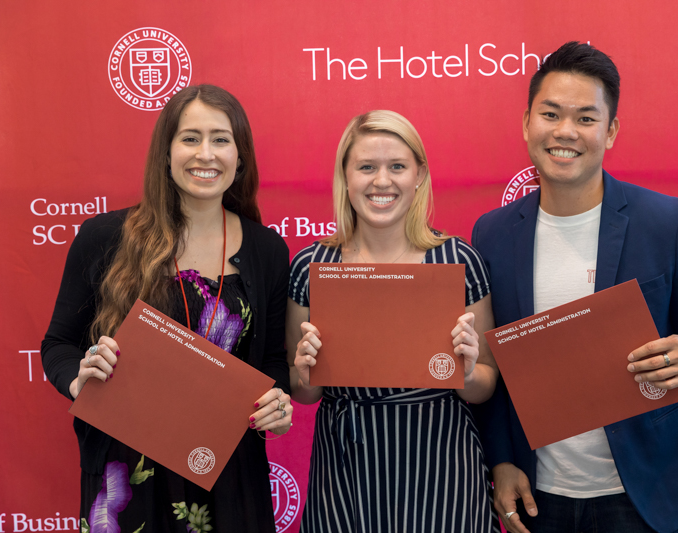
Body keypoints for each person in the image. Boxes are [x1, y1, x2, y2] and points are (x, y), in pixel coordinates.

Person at [469, 42, 678, 533]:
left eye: (586, 118)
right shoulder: (492, 231)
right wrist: (501, 460)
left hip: (645, 494)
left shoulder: (668, 221)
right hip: (539, 496)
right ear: (527, 122)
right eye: (550, 114)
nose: (565, 132)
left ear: (610, 131)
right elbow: (494, 362)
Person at [41, 85, 293, 533]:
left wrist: (276, 401)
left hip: (228, 473)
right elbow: (59, 343)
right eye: (190, 138)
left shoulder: (267, 250)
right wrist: (77, 380)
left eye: (220, 139)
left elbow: (273, 361)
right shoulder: (105, 236)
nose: (206, 153)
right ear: (166, 152)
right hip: (128, 473)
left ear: (240, 156)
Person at [287, 110, 500, 533]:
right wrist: (306, 368)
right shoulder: (312, 265)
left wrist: (470, 370)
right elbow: (303, 392)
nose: (381, 181)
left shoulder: (457, 260)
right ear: (345, 178)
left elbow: (485, 386)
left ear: (419, 175)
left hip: (443, 467)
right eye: (366, 167)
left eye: (397, 167)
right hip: (345, 470)